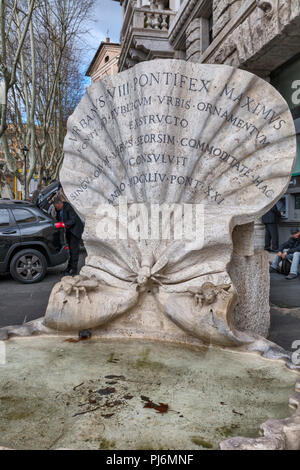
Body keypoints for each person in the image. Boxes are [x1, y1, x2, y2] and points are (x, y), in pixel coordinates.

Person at [53, 196, 84, 275]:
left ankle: (73, 270)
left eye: (56, 206)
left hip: (74, 231)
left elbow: (73, 220)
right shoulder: (58, 209)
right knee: (70, 251)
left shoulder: (68, 207)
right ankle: (69, 268)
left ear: (60, 204)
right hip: (68, 231)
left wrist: (63, 224)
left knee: (74, 251)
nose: (56, 208)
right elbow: (59, 218)